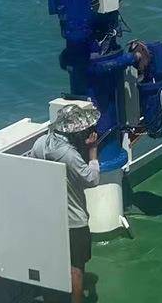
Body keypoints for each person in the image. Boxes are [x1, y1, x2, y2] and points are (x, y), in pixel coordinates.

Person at [29, 104, 100, 303]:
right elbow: (92, 179)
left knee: (52, 262)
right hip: (74, 220)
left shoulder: (40, 144)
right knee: (76, 269)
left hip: (50, 218)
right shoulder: (69, 154)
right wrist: (92, 152)